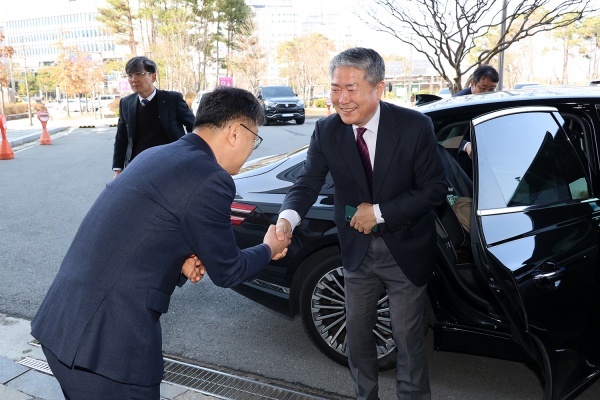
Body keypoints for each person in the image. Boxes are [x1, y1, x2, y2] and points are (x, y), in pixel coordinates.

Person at [31, 87, 291, 399]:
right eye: (254, 138)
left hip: (64, 322)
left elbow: (138, 231)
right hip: (105, 348)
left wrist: (179, 261)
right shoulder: (210, 177)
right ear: (236, 132)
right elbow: (228, 270)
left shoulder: (156, 154)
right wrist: (269, 248)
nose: (252, 148)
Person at [276, 48, 447, 400]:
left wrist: (379, 212)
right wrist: (286, 219)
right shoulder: (327, 130)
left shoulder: (414, 126)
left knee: (407, 340)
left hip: (405, 250)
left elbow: (434, 190)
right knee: (356, 337)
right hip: (356, 252)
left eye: (351, 89)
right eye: (335, 88)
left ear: (378, 88)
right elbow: (307, 182)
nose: (341, 99)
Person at [112, 56, 195, 178]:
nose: (133, 79)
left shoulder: (172, 99)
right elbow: (121, 138)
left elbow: (194, 127)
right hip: (137, 166)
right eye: (130, 75)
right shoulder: (126, 103)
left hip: (171, 165)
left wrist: (189, 152)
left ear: (153, 76)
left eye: (138, 74)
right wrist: (118, 170)